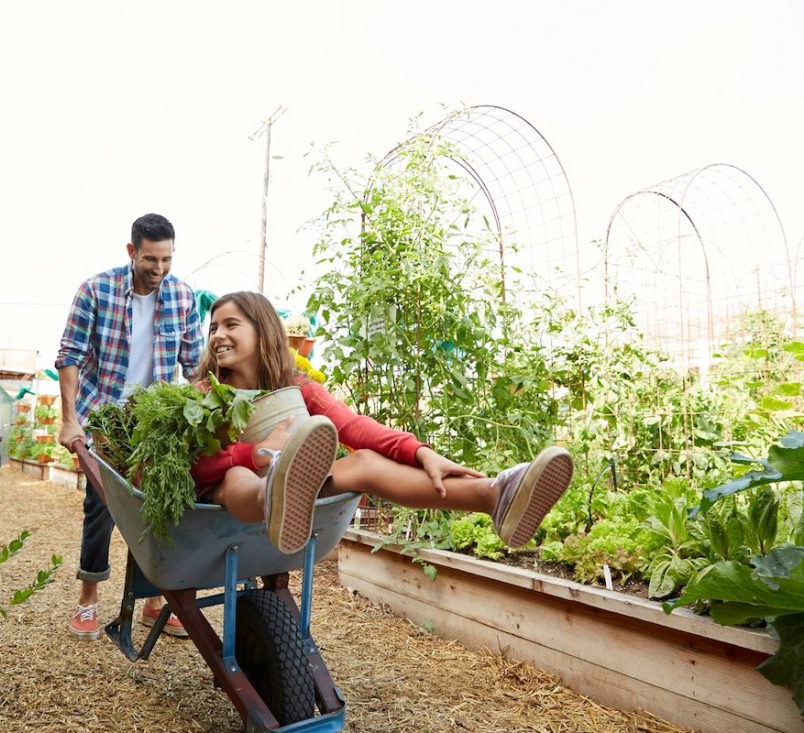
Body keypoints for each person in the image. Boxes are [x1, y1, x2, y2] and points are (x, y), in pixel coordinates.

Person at [190, 291, 573, 555]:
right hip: (229, 494)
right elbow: (194, 466)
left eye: (231, 325)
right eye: (213, 328)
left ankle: (494, 495)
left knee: (366, 463)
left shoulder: (295, 388)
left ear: (263, 332)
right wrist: (252, 455)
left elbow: (354, 427)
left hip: (296, 485)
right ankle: (273, 495)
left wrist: (419, 450)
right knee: (237, 478)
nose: (218, 335)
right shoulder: (202, 396)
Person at [56, 213, 202, 640]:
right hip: (104, 414)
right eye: (151, 259)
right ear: (131, 251)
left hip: (154, 416)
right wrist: (70, 421)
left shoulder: (181, 296)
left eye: (167, 260)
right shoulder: (96, 290)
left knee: (160, 503)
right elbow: (70, 356)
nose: (159, 269)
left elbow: (194, 367)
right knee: (102, 506)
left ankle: (156, 601)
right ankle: (88, 600)